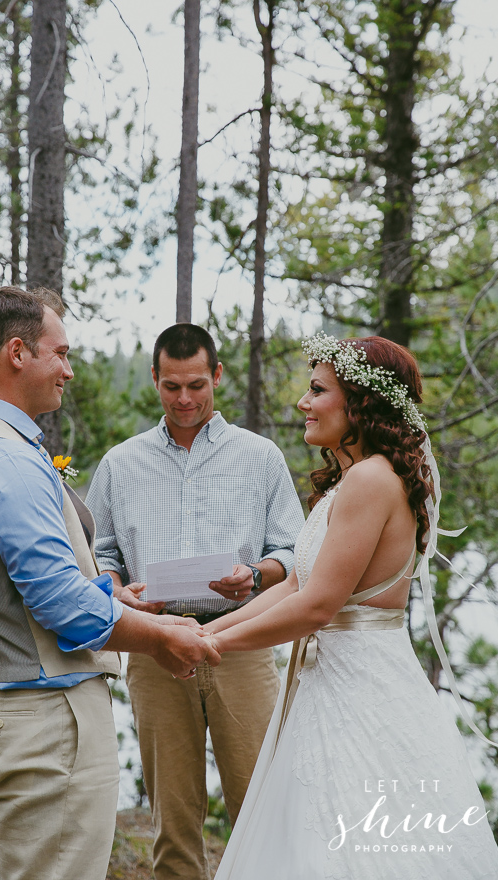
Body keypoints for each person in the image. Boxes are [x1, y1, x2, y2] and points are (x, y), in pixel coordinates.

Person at [0, 287, 217, 880]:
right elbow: (60, 602)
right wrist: (160, 635)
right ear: (17, 353)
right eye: (59, 353)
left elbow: (26, 586)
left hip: (2, 709)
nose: (69, 368)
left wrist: (113, 596)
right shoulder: (6, 460)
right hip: (46, 722)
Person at [207, 334, 498, 880]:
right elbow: (296, 583)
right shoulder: (351, 479)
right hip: (330, 683)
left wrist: (214, 647)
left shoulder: (370, 479)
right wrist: (207, 630)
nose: (303, 402)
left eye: (317, 390)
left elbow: (318, 606)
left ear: (360, 402)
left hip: (361, 690)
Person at [85, 322, 304, 880]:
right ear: (155, 379)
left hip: (242, 643)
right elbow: (101, 555)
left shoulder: (261, 457)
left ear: (218, 378)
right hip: (156, 649)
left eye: (197, 386)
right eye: (172, 386)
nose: (185, 399)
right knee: (173, 817)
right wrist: (117, 590)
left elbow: (293, 555)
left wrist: (254, 574)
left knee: (258, 805)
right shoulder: (120, 463)